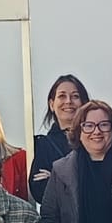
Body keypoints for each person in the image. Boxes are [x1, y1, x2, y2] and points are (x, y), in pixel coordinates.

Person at [29, 74, 88, 205]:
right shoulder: (41, 145)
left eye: (75, 96)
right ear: (51, 104)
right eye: (62, 96)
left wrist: (56, 179)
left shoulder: (95, 140)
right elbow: (40, 191)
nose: (68, 101)